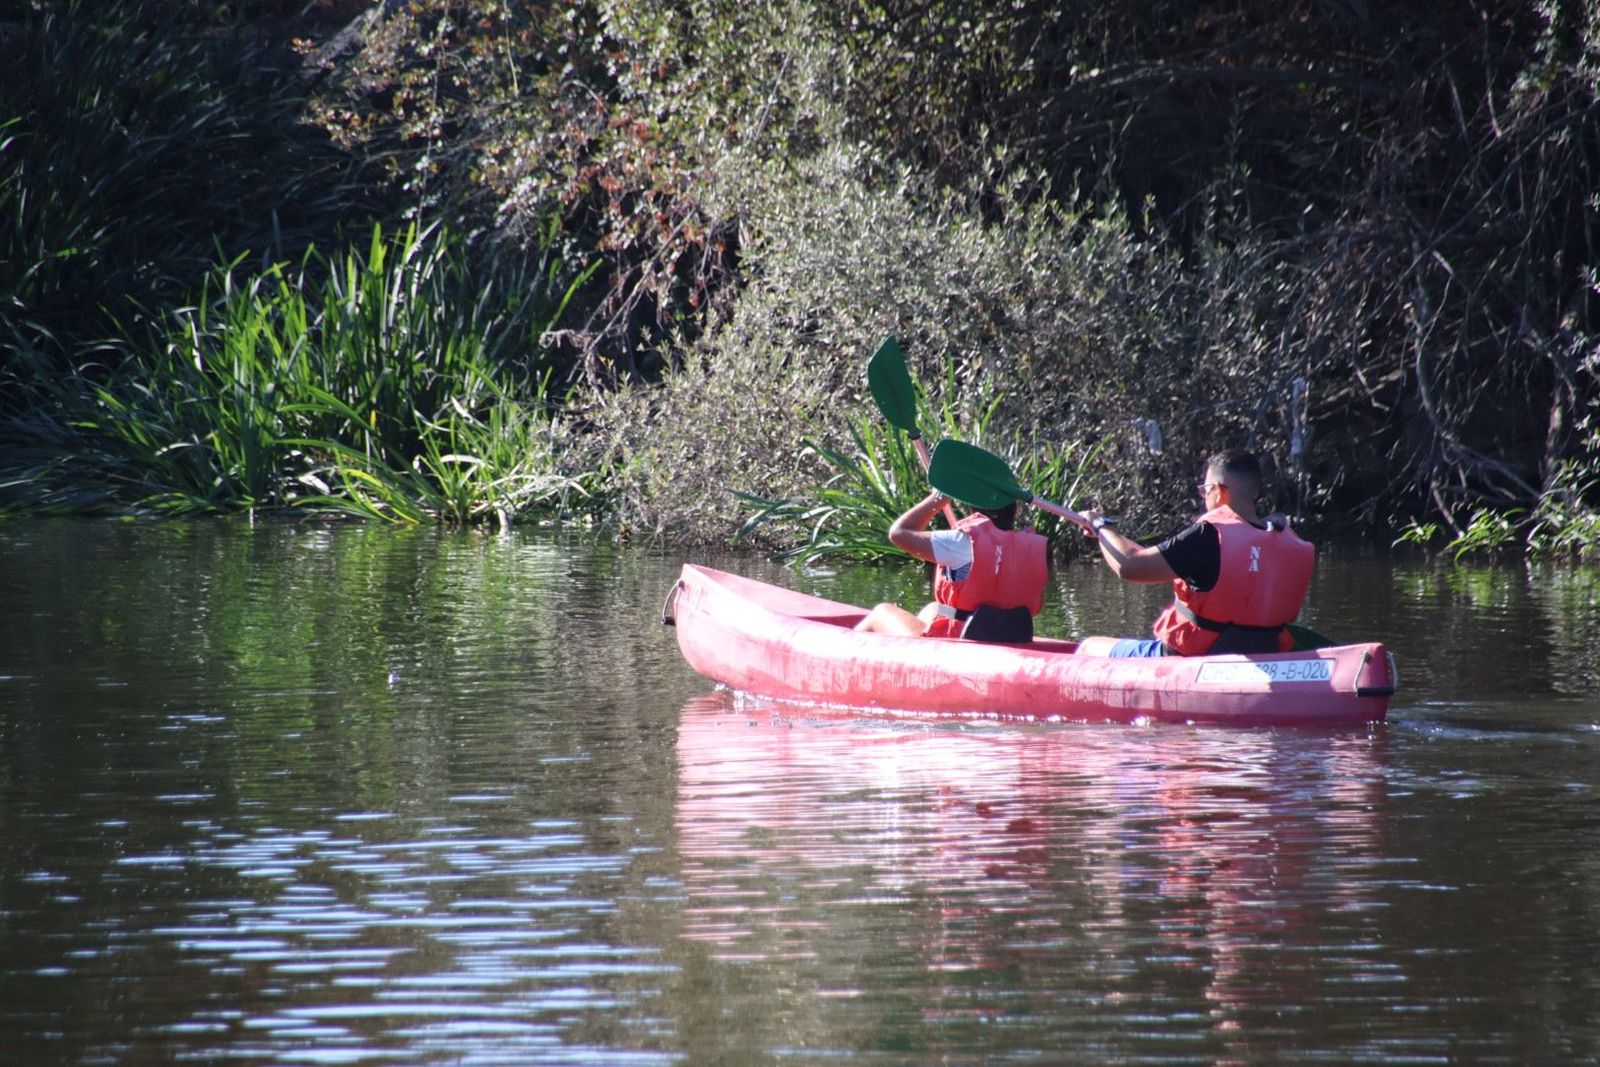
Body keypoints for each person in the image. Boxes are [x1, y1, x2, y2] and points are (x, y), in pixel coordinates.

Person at [1078, 448, 1313, 657]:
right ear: (1254, 494)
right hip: (1268, 654)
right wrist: (1107, 537)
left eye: (1205, 490)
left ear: (1218, 491)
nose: (1204, 497)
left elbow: (1129, 565)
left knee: (1089, 647)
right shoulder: (1290, 541)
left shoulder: (1209, 535)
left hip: (1193, 658)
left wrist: (1101, 526)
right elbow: (1145, 557)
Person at [855, 488, 1050, 643]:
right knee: (934, 609)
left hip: (961, 643)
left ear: (973, 509)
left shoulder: (961, 541)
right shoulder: (1029, 546)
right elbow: (1035, 608)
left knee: (881, 612)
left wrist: (938, 498)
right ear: (1014, 510)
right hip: (1010, 637)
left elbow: (898, 533)